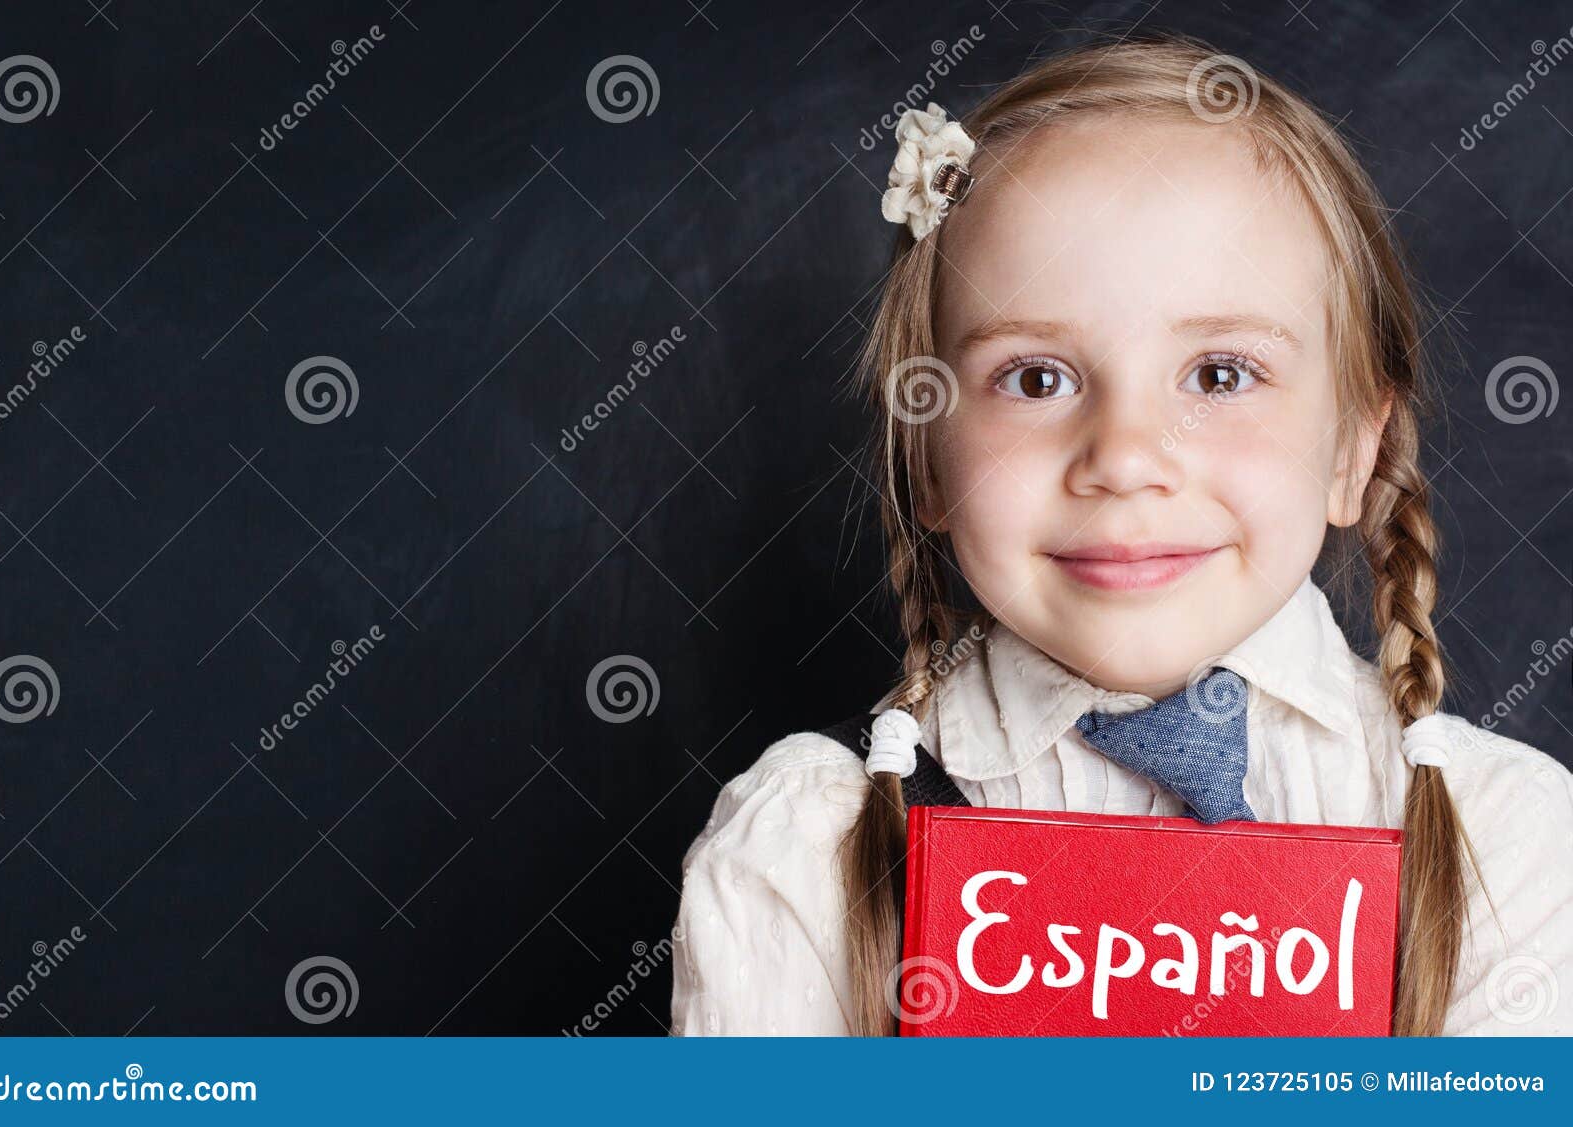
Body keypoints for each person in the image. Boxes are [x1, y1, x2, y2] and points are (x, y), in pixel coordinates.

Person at [669, 35, 1573, 1037]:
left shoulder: (1510, 847)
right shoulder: (804, 849)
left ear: (1351, 452)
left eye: (1220, 374)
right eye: (1035, 377)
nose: (1124, 455)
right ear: (925, 456)